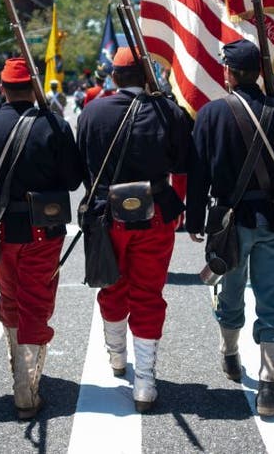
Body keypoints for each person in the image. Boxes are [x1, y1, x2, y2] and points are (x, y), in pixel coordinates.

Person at [185, 39, 274, 417]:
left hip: (229, 222)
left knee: (230, 289)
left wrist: (194, 220)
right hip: (273, 220)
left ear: (228, 72)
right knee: (273, 298)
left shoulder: (211, 114)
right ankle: (268, 384)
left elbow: (198, 174)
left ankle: (229, 354)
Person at [0, 58, 83, 419]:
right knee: (37, 300)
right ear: (33, 88)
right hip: (41, 231)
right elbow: (74, 180)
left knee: (11, 296)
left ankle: (20, 370)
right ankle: (25, 388)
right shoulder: (54, 126)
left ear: (2, 88)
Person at [75, 48, 192, 411]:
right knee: (148, 294)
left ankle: (116, 358)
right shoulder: (167, 111)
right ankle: (144, 382)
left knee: (112, 285)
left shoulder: (91, 112)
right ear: (147, 76)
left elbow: (84, 166)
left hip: (108, 213)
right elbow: (184, 161)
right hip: (154, 212)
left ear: (114, 76)